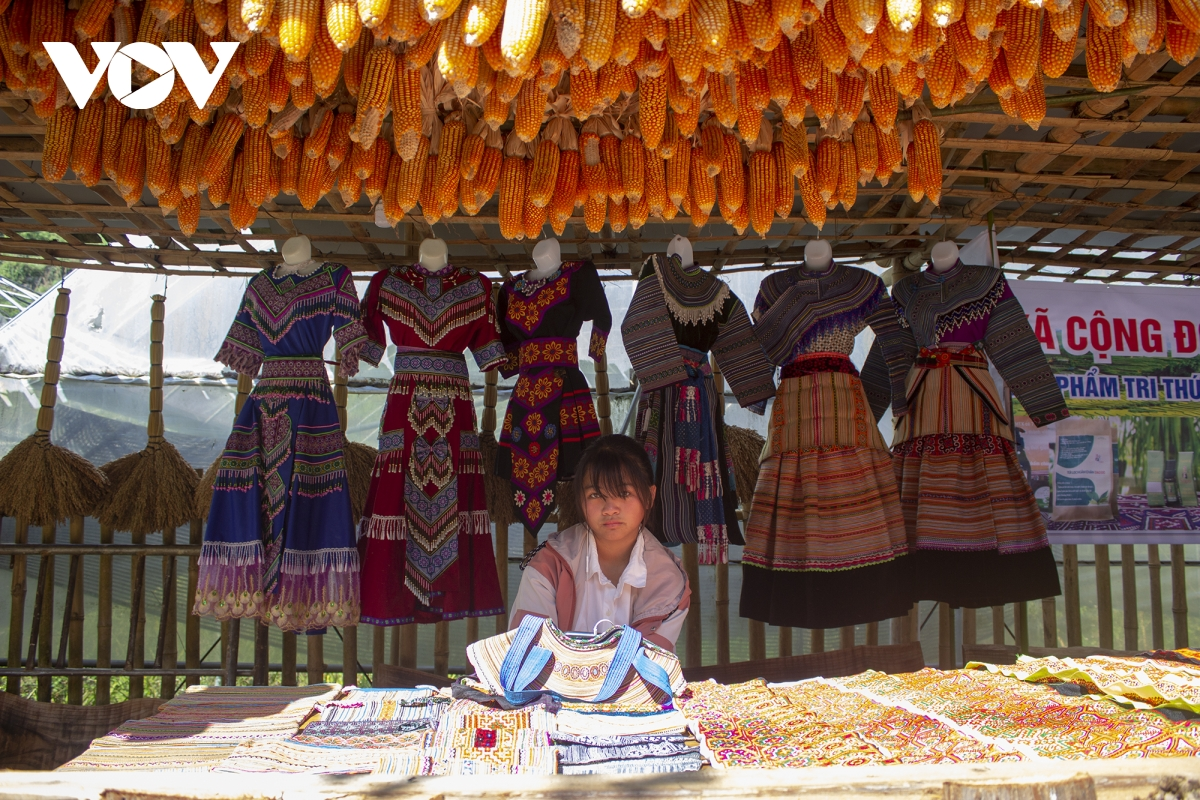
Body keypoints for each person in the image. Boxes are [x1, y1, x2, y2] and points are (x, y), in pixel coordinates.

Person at [509, 435, 691, 651]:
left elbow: (649, 669)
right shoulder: (549, 567)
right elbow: (527, 655)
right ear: (580, 499)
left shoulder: (669, 582)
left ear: (650, 496)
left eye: (624, 493)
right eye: (595, 494)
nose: (610, 508)